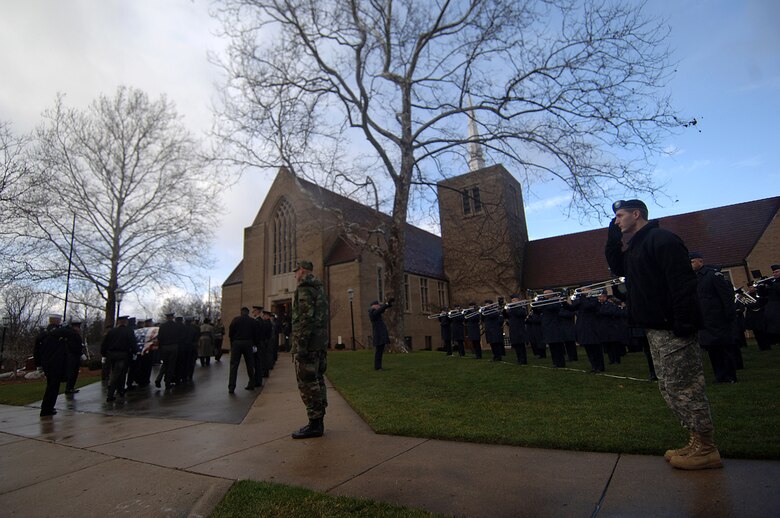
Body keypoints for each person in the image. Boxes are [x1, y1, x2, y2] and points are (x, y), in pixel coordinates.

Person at [605, 198, 721, 470]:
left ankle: (707, 447)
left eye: (620, 216)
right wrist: (612, 240)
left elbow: (682, 284)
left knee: (685, 386)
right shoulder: (636, 246)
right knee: (670, 386)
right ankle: (695, 440)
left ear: (637, 214)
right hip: (655, 327)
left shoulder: (662, 240)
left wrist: (683, 322)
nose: (617, 221)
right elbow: (620, 268)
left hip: (672, 327)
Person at [291, 259, 329, 439]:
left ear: (303, 270)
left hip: (310, 344)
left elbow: (306, 319)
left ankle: (315, 424)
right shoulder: (319, 288)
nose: (295, 274)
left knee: (308, 382)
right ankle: (318, 421)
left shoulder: (305, 288)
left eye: (296, 271)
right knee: (318, 379)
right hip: (319, 343)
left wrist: (301, 345)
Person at [690, 252, 738, 383]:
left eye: (692, 262)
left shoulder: (713, 275)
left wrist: (729, 314)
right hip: (705, 319)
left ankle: (730, 375)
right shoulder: (694, 278)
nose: (691, 265)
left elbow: (726, 296)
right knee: (713, 350)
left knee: (724, 348)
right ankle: (720, 375)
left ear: (700, 261)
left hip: (718, 317)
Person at [36, 318, 82, 417]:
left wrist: (38, 364)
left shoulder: (43, 335)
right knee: (53, 387)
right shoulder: (59, 333)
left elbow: (36, 351)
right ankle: (47, 409)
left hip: (47, 363)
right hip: (55, 364)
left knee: (51, 386)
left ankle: (47, 408)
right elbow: (74, 336)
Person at [101, 315, 136, 402]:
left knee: (116, 371)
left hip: (111, 355)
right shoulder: (129, 331)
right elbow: (133, 343)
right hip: (123, 355)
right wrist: (135, 352)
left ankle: (120, 390)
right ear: (125, 322)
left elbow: (104, 344)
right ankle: (111, 394)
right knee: (119, 374)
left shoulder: (111, 331)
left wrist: (104, 354)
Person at [569, 290, 605, 373]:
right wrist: (563, 302)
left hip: (593, 327)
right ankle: (594, 366)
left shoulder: (594, 299)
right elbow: (572, 308)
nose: (582, 291)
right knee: (588, 348)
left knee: (596, 348)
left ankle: (600, 366)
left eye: (584, 289)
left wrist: (582, 296)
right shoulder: (582, 300)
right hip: (583, 327)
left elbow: (587, 306)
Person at [228, 307, 258, 394]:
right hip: (248, 343)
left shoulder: (235, 320)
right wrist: (254, 344)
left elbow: (231, 333)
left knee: (234, 365)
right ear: (248, 313)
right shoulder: (252, 321)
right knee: (250, 364)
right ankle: (252, 383)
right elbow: (255, 334)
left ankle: (231, 387)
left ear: (241, 312)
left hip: (237, 343)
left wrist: (232, 342)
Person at [155, 312, 181, 389]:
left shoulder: (162, 326)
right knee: (171, 365)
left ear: (166, 318)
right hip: (174, 347)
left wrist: (160, 348)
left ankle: (158, 378)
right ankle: (168, 382)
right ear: (173, 317)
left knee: (165, 364)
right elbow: (179, 337)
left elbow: (159, 338)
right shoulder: (176, 326)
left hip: (164, 347)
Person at [369, 299, 393, 370]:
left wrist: (388, 304)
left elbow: (381, 309)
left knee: (380, 351)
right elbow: (380, 310)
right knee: (378, 351)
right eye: (378, 305)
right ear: (374, 306)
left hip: (380, 334)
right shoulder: (372, 312)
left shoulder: (375, 311)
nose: (379, 306)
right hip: (378, 334)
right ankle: (377, 367)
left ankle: (379, 366)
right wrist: (386, 304)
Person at [505, 295, 528, 364]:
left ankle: (523, 360)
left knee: (521, 345)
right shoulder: (510, 308)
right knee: (516, 345)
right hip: (513, 328)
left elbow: (522, 314)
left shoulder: (521, 307)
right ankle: (519, 359)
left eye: (515, 300)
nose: (513, 301)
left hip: (520, 328)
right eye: (512, 300)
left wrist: (514, 307)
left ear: (518, 300)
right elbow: (507, 316)